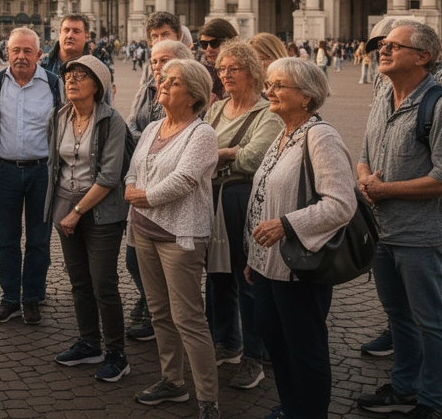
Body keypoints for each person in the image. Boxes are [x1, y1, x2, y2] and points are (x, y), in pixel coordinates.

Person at [355, 22, 442, 419]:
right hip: (381, 232)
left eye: (393, 46)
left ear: (423, 56)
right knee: (398, 316)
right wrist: (365, 178)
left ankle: (432, 401)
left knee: (431, 321)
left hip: (419, 235)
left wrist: (385, 190)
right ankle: (403, 387)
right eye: (382, 45)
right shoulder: (383, 96)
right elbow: (364, 153)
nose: (382, 50)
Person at [244, 57, 356, 419]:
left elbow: (341, 204)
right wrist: (253, 256)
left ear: (306, 96)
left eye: (278, 85)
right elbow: (264, 196)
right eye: (269, 83)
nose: (268, 91)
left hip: (299, 266)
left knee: (304, 347)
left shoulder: (320, 136)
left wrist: (287, 225)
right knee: (274, 338)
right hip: (267, 264)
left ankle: (309, 412)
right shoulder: (284, 132)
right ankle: (291, 406)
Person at [125, 58, 221, 419]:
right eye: (164, 79)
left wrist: (142, 197)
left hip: (180, 236)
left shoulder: (202, 134)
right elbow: (133, 170)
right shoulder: (152, 128)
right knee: (160, 312)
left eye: (174, 82)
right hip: (144, 231)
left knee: (188, 318)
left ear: (195, 95)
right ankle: (173, 382)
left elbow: (184, 180)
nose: (163, 84)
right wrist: (134, 190)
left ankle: (208, 399)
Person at [46, 55, 132, 382]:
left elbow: (110, 177)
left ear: (96, 86)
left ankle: (116, 353)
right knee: (79, 282)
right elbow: (55, 166)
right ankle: (88, 342)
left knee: (103, 284)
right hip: (65, 207)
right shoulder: (58, 117)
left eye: (80, 76)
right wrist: (60, 211)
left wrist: (76, 212)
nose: (71, 80)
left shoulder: (112, 120)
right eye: (69, 75)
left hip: (100, 210)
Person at [203, 41, 282, 391]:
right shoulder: (217, 108)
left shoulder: (268, 111)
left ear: (252, 71)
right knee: (217, 275)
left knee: (247, 278)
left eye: (233, 68)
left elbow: (253, 158)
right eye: (222, 69)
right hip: (211, 197)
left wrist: (217, 154)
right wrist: (227, 153)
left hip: (243, 199)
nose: (225, 74)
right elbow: (199, 147)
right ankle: (227, 341)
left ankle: (255, 354)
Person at [0, 27, 62, 325]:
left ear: (39, 55)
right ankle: (10, 298)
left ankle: (31, 297)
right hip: (5, 171)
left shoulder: (54, 85)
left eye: (27, 51)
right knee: (6, 240)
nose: (21, 57)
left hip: (42, 172)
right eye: (15, 50)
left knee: (38, 240)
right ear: (7, 52)